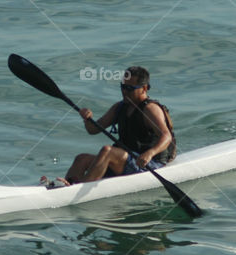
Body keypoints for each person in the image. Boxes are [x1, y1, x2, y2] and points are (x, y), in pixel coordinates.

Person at [41, 66, 176, 188]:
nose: (124, 92)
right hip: (128, 159)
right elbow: (93, 130)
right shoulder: (120, 107)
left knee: (107, 150)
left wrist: (149, 154)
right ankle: (66, 186)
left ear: (144, 88)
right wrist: (87, 118)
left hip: (150, 164)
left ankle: (79, 188)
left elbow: (166, 136)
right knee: (81, 159)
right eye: (122, 86)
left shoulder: (150, 109)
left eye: (130, 88)